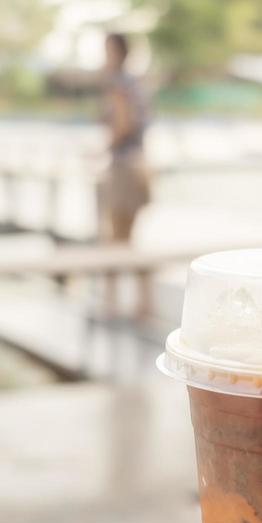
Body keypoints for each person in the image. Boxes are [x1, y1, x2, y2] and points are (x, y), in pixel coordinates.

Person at [98, 32, 151, 314]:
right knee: (125, 237)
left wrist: (103, 147)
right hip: (137, 163)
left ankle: (114, 301)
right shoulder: (134, 84)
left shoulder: (119, 84)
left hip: (124, 166)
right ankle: (134, 301)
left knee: (119, 238)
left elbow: (123, 125)